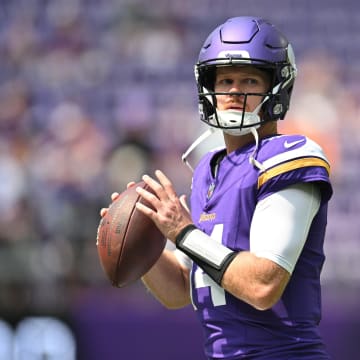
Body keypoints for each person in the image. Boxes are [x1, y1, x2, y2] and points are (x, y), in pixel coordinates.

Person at [102, 16, 333, 359]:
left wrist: (183, 233)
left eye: (250, 80)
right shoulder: (207, 170)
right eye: (225, 80)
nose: (234, 91)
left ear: (277, 87)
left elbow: (262, 285)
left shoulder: (292, 157)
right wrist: (141, 240)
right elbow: (180, 288)